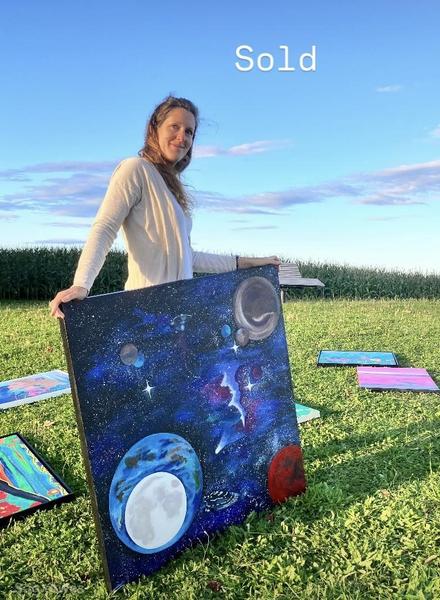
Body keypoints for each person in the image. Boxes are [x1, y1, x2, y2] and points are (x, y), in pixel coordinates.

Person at [49, 96, 280, 318]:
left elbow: (187, 257)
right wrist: (81, 284)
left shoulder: (173, 191)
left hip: (180, 312)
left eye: (189, 132)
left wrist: (249, 263)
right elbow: (105, 227)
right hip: (146, 312)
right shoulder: (135, 169)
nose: (182, 137)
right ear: (155, 129)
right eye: (174, 127)